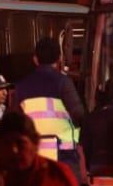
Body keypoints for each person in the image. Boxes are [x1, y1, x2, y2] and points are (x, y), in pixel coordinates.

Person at [12, 36, 86, 175]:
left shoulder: (21, 87)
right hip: (63, 156)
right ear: (59, 58)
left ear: (35, 59)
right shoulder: (64, 83)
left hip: (33, 156)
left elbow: (14, 121)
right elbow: (79, 114)